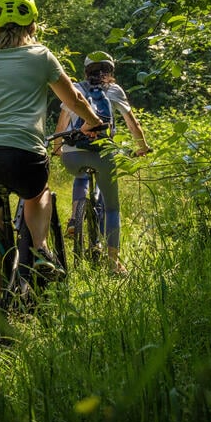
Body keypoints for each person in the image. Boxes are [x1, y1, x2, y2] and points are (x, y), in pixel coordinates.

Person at [0, 0, 106, 277]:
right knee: (38, 193)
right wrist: (92, 121)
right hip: (22, 156)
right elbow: (73, 99)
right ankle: (39, 250)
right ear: (32, 25)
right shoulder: (41, 56)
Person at [51, 50, 150, 276]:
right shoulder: (114, 91)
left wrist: (58, 150)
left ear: (86, 71)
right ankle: (113, 263)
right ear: (111, 72)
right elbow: (132, 124)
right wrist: (141, 147)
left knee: (80, 175)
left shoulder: (74, 89)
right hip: (103, 154)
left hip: (72, 156)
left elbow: (62, 123)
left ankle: (75, 219)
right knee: (112, 207)